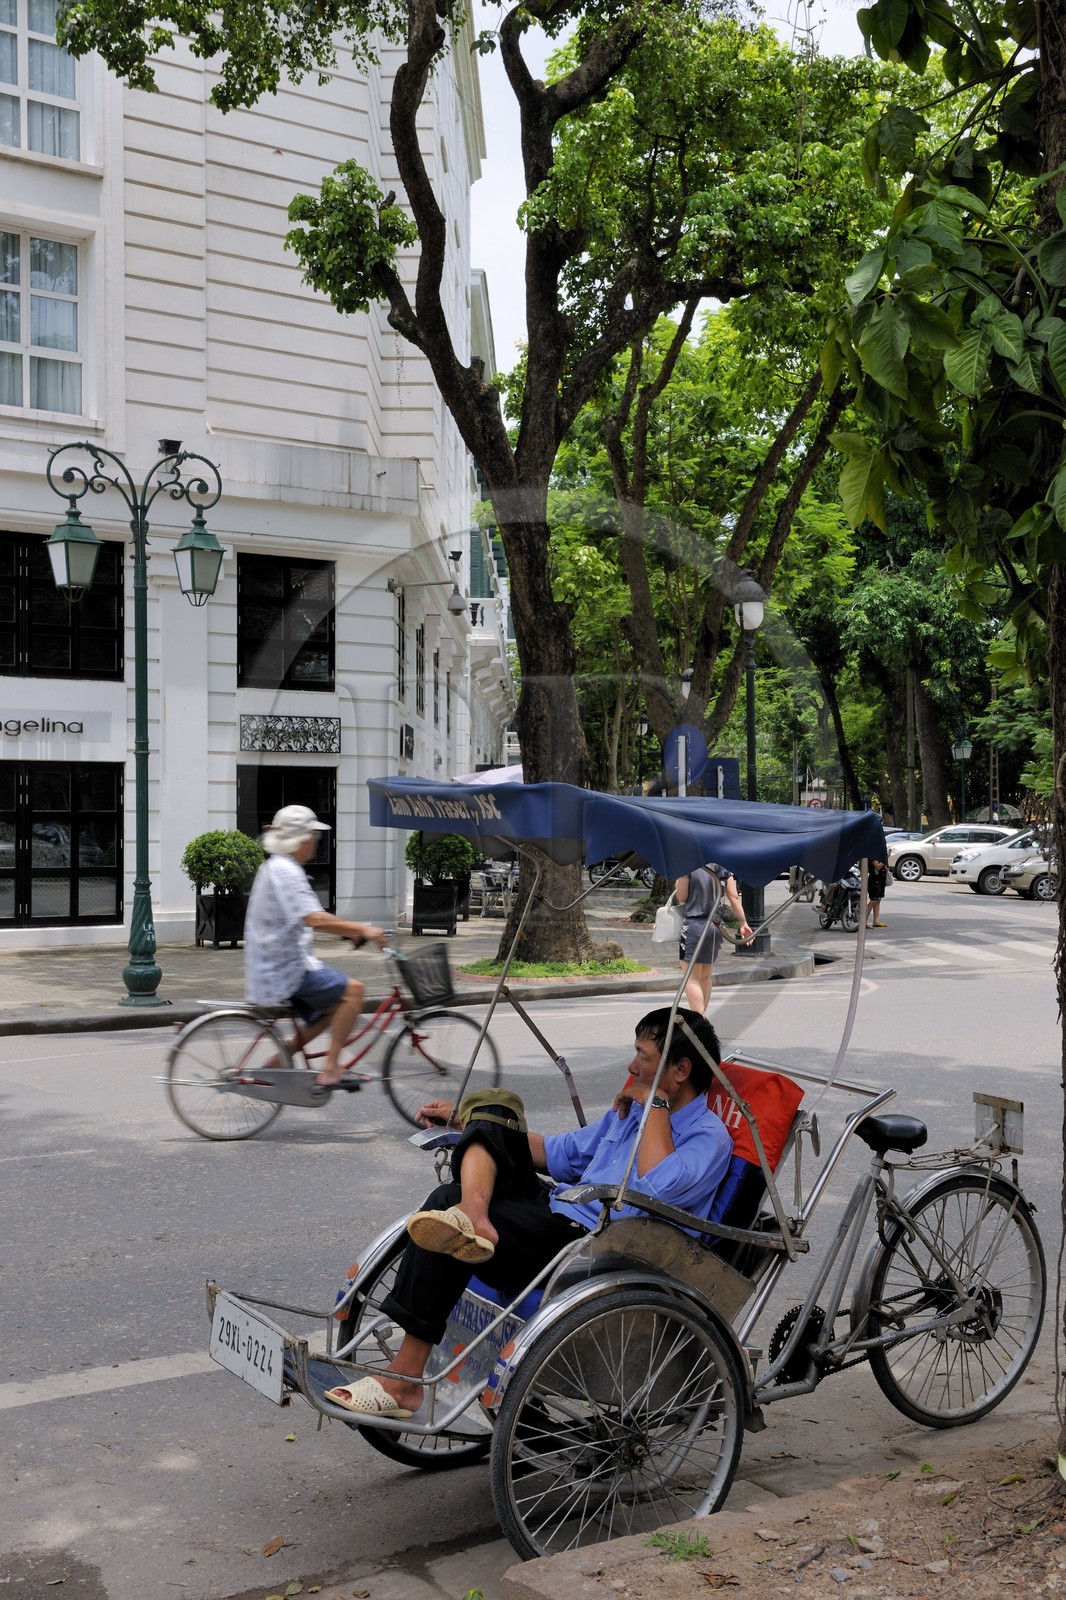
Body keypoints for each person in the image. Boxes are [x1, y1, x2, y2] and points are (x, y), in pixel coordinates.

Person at [323, 1006, 732, 1418]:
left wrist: (656, 1105)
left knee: (445, 1202)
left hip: (596, 1245)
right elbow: (560, 1153)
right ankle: (474, 1210)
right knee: (494, 1106)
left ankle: (402, 1382)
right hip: (556, 1213)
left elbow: (657, 1185)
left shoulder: (708, 1137)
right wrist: (475, 1124)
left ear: (680, 1070)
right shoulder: (630, 1113)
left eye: (643, 1057)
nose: (632, 1066)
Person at [243, 804, 388, 1087]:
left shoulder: (279, 866)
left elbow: (309, 917)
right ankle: (331, 1068)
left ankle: (279, 1058)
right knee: (354, 992)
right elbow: (314, 919)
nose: (316, 842)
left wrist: (349, 932)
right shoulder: (286, 871)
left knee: (334, 1006)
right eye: (314, 836)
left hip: (277, 963)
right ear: (303, 840)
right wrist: (363, 928)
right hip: (284, 968)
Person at [675, 864, 753, 1013]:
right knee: (705, 976)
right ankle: (703, 1017)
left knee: (691, 977)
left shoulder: (688, 864)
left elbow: (682, 896)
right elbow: (733, 896)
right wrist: (743, 923)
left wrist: (680, 880)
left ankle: (699, 1018)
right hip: (716, 926)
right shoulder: (721, 865)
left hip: (694, 925)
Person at [866, 857, 888, 928]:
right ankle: (863, 920)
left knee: (878, 899)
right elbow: (877, 866)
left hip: (881, 879)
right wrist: (885, 858)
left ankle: (876, 920)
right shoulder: (873, 855)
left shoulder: (879, 854)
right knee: (873, 900)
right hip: (874, 880)